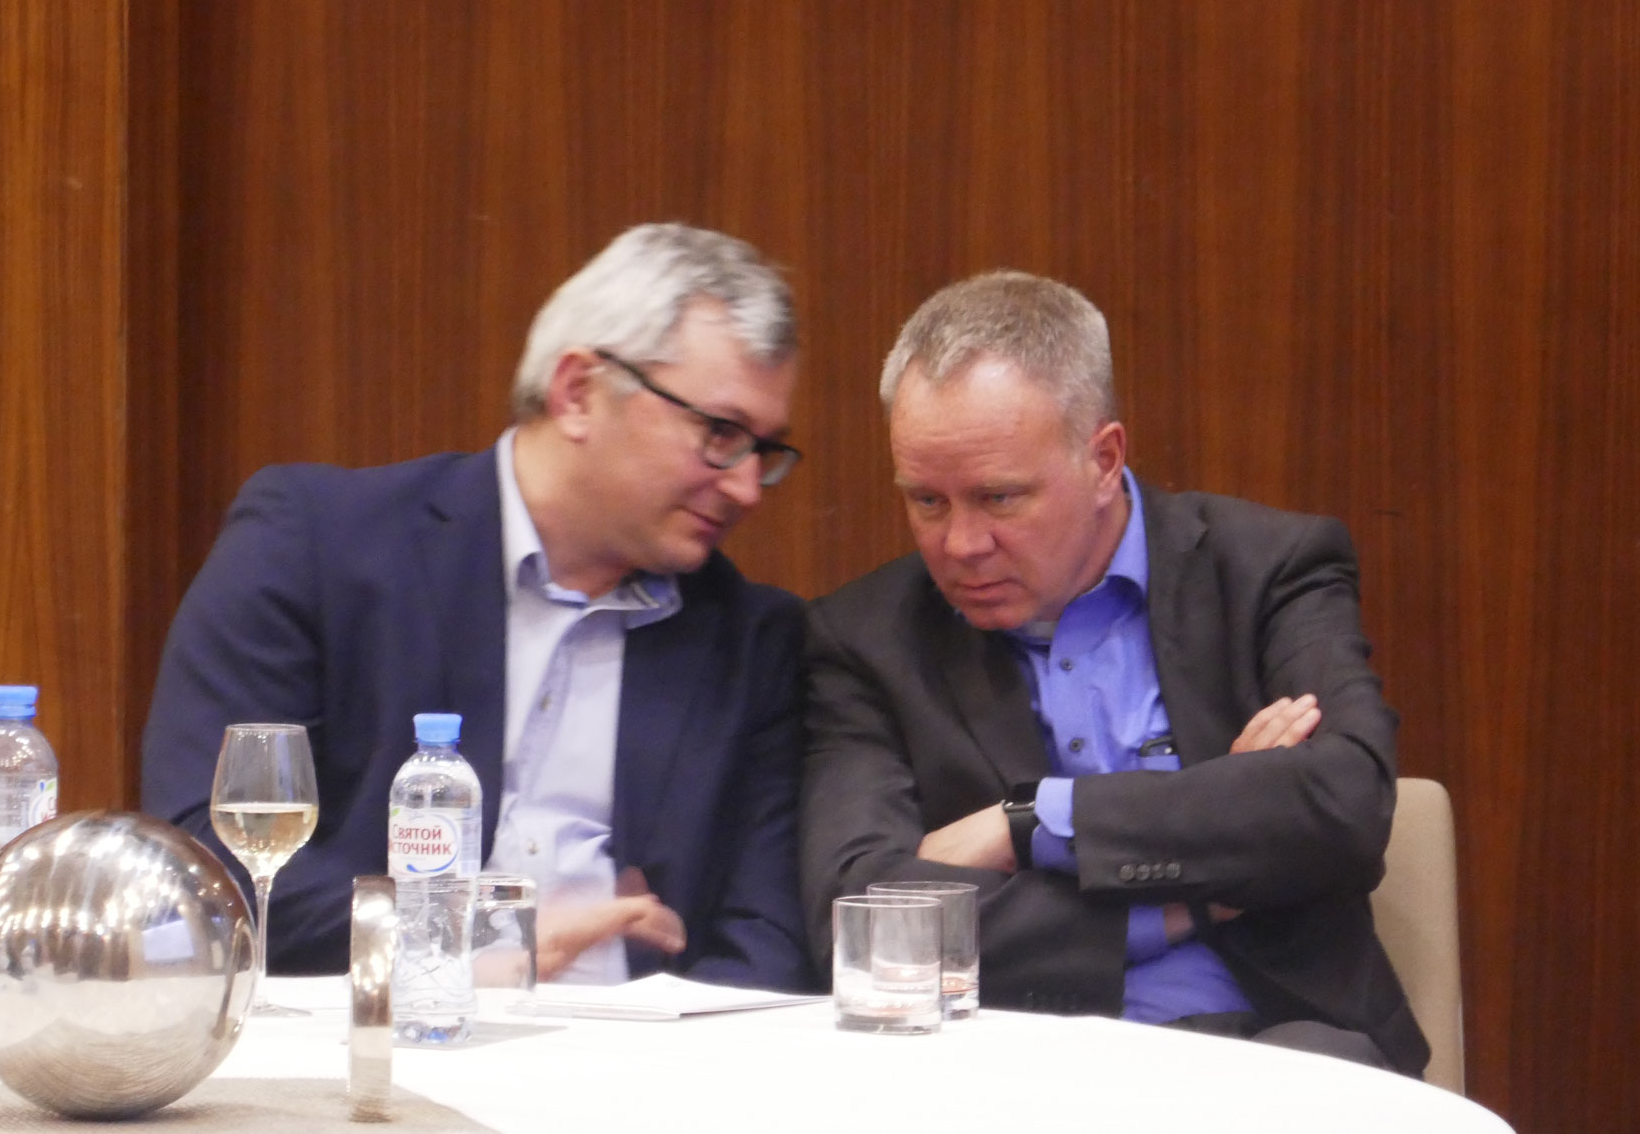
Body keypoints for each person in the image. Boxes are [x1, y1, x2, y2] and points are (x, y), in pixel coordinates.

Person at [143, 223, 813, 991]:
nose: (747, 487)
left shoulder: (750, 640)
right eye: (721, 433)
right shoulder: (316, 546)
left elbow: (764, 943)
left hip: (638, 1051)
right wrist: (475, 937)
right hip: (370, 1035)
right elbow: (207, 861)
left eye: (765, 449)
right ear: (578, 392)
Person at [801, 271, 1428, 1072]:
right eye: (927, 501)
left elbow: (1345, 803)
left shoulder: (1267, 569)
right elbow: (860, 922)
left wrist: (1028, 823)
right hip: (1004, 1062)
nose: (960, 544)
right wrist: (1198, 881)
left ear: (1103, 459)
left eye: (999, 497)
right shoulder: (864, 637)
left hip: (1280, 1042)